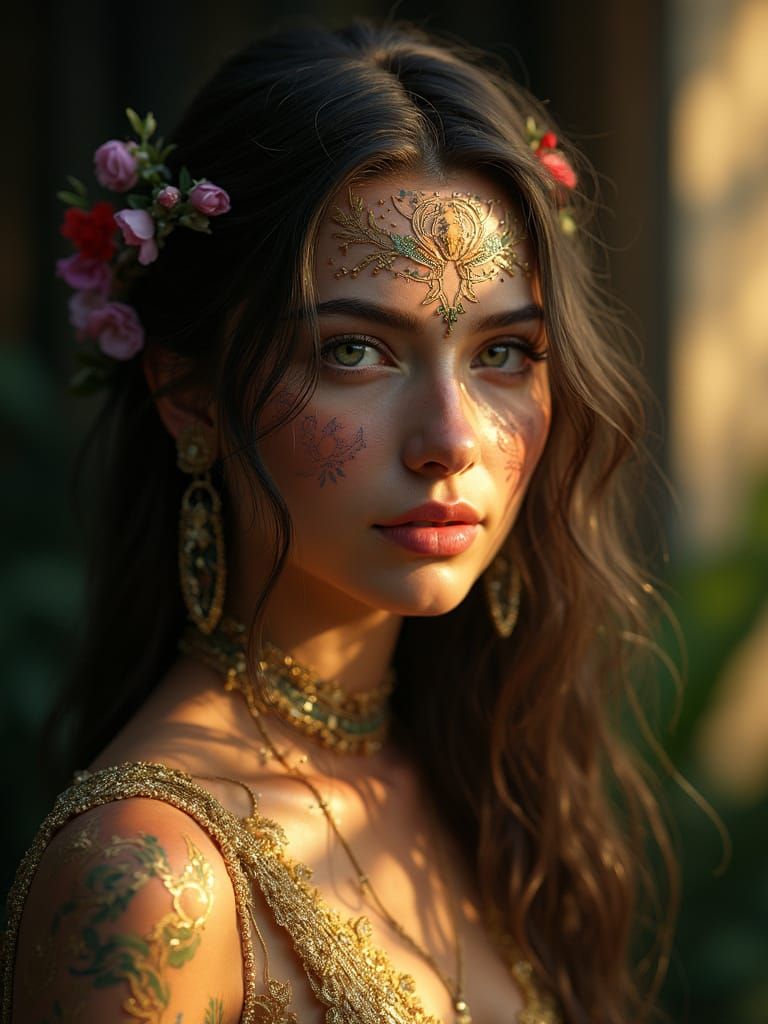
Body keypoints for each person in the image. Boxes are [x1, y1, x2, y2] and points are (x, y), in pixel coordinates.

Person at [1, 20, 675, 1024]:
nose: (450, 439)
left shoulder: (484, 784)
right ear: (189, 394)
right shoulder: (149, 878)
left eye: (503, 354)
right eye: (357, 351)